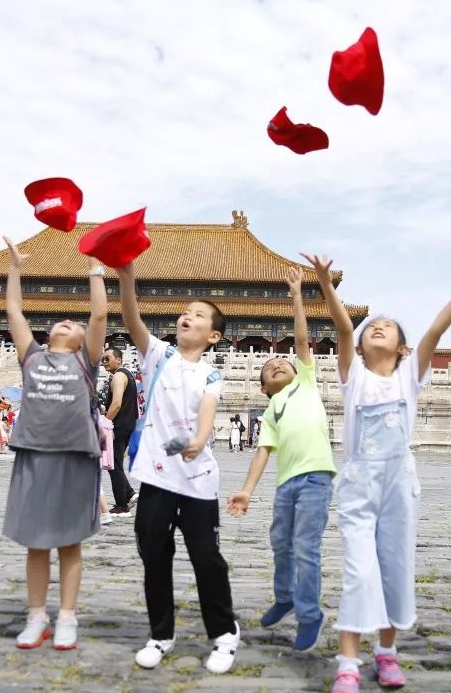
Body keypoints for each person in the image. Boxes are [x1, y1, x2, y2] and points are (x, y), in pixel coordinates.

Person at [310, 252, 451, 693]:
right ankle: (348, 662)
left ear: (402, 349)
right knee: (359, 571)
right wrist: (325, 284)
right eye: (371, 325)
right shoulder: (353, 376)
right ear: (360, 345)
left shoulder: (409, 377)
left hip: (398, 485)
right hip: (359, 484)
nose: (377, 325)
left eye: (388, 326)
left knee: (394, 566)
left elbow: (435, 331)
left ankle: (387, 652)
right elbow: (342, 327)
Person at [116, 259, 240, 675]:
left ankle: (224, 632)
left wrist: (199, 440)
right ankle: (161, 634)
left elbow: (207, 409)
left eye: (199, 315)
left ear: (214, 335)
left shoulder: (211, 374)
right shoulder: (159, 355)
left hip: (198, 478)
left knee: (206, 557)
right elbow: (131, 319)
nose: (189, 316)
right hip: (156, 476)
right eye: (186, 311)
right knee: (154, 554)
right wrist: (127, 277)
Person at [1, 235, 107, 651]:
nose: (67, 322)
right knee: (36, 542)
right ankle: (36, 615)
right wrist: (15, 269)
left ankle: (67, 615)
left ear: (82, 340)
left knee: (69, 542)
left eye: (74, 324)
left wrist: (94, 267)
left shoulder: (85, 361)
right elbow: (13, 310)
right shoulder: (32, 357)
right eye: (61, 322)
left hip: (75, 457)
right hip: (34, 455)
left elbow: (99, 313)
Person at [227, 267, 337, 652]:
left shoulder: (306, 383)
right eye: (270, 369)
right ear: (263, 388)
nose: (277, 364)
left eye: (283, 363)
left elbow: (302, 339)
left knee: (306, 546)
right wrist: (246, 490)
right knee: (280, 543)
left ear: (298, 369)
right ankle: (285, 596)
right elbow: (262, 451)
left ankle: (309, 614)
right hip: (286, 484)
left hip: (315, 478)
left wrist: (296, 296)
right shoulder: (271, 410)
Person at [101, 346, 138, 516]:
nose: (104, 362)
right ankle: (129, 494)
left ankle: (122, 506)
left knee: (114, 465)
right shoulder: (127, 375)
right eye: (103, 359)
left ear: (119, 359)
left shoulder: (118, 376)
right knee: (115, 463)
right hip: (128, 424)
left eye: (107, 358)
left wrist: (105, 423)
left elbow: (116, 404)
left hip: (119, 425)